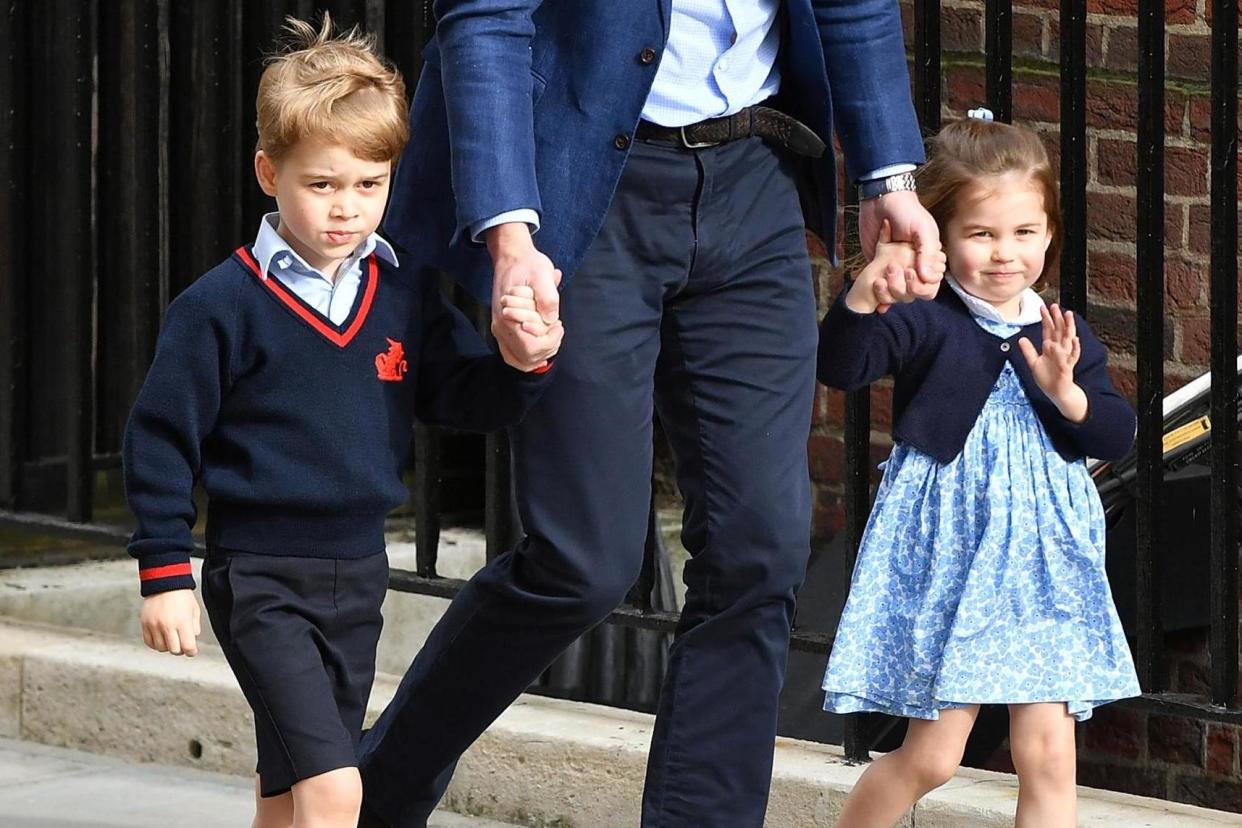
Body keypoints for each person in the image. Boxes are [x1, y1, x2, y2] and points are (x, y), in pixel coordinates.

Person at [358, 2, 942, 826]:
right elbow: (487, 18)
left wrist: (890, 174)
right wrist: (510, 236)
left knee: (761, 550)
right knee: (582, 562)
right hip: (581, 184)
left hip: (754, 176)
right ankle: (369, 800)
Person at [122, 16, 559, 828]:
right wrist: (163, 571)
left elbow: (468, 399)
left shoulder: (402, 295)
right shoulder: (219, 308)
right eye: (322, 184)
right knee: (336, 789)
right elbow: (160, 438)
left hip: (359, 575)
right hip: (257, 576)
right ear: (268, 172)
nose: (347, 208)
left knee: (286, 791)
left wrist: (523, 361)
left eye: (370, 184)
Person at [818, 113, 1142, 828]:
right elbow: (842, 367)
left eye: (1025, 233)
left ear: (1050, 234)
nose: (1005, 255)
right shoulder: (925, 317)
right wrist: (864, 298)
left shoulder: (1063, 332)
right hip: (953, 558)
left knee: (1049, 753)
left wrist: (1069, 395)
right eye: (982, 234)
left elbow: (1117, 432)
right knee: (933, 756)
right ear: (941, 233)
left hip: (1043, 562)